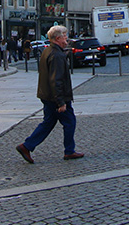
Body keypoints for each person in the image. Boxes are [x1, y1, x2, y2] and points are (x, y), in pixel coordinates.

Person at [15, 25, 83, 163]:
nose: (67, 39)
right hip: (55, 97)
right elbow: (56, 80)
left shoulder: (48, 51)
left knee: (48, 122)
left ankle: (27, 146)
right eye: (65, 36)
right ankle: (69, 151)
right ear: (57, 38)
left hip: (46, 95)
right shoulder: (57, 55)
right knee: (69, 122)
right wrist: (61, 102)